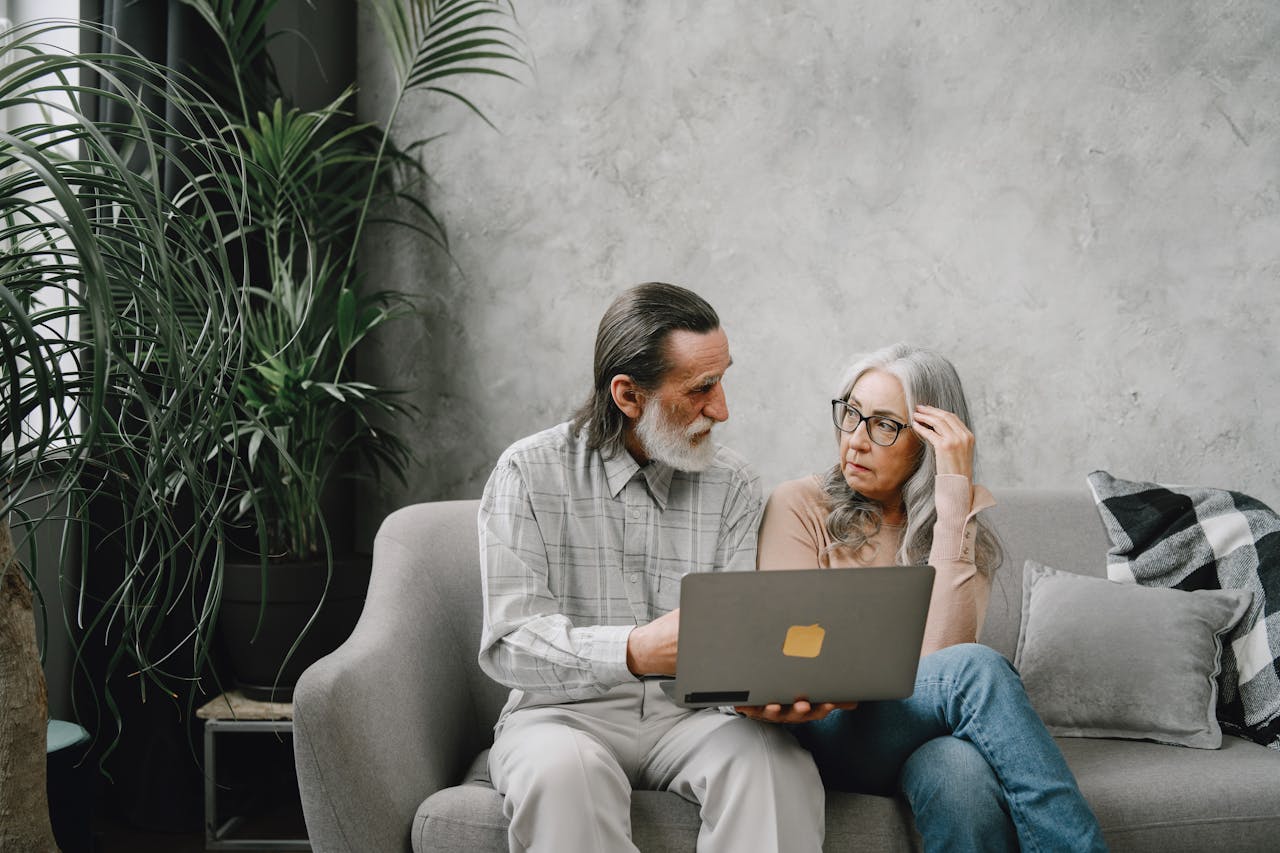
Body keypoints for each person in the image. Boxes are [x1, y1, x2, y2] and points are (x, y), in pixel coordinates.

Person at [477, 282, 825, 853]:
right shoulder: (528, 472)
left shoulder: (733, 483)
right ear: (628, 395)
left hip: (691, 719)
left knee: (775, 766)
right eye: (701, 389)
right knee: (564, 777)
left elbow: (739, 646)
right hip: (560, 718)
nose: (722, 409)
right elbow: (510, 644)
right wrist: (634, 651)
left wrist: (771, 690)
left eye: (723, 379)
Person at [752, 343, 1108, 853]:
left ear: (928, 443)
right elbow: (800, 661)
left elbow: (942, 661)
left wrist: (952, 499)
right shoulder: (800, 503)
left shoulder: (959, 526)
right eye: (851, 414)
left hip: (914, 733)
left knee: (957, 771)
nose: (855, 441)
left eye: (883, 426)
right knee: (980, 669)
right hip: (826, 727)